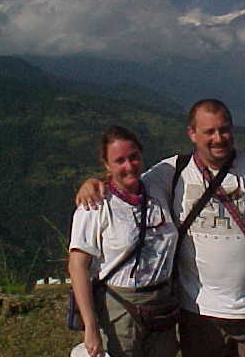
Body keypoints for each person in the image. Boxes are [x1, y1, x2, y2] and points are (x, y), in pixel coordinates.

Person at [76, 100, 245, 357]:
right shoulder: (173, 171)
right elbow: (126, 181)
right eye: (209, 132)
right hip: (199, 314)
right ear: (192, 134)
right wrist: (92, 184)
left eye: (224, 129)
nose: (218, 138)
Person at [68, 125, 179, 357]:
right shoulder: (95, 205)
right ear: (106, 165)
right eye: (119, 161)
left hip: (161, 305)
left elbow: (198, 158)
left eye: (134, 157)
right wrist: (90, 327)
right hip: (120, 307)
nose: (129, 166)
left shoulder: (157, 184)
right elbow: (77, 265)